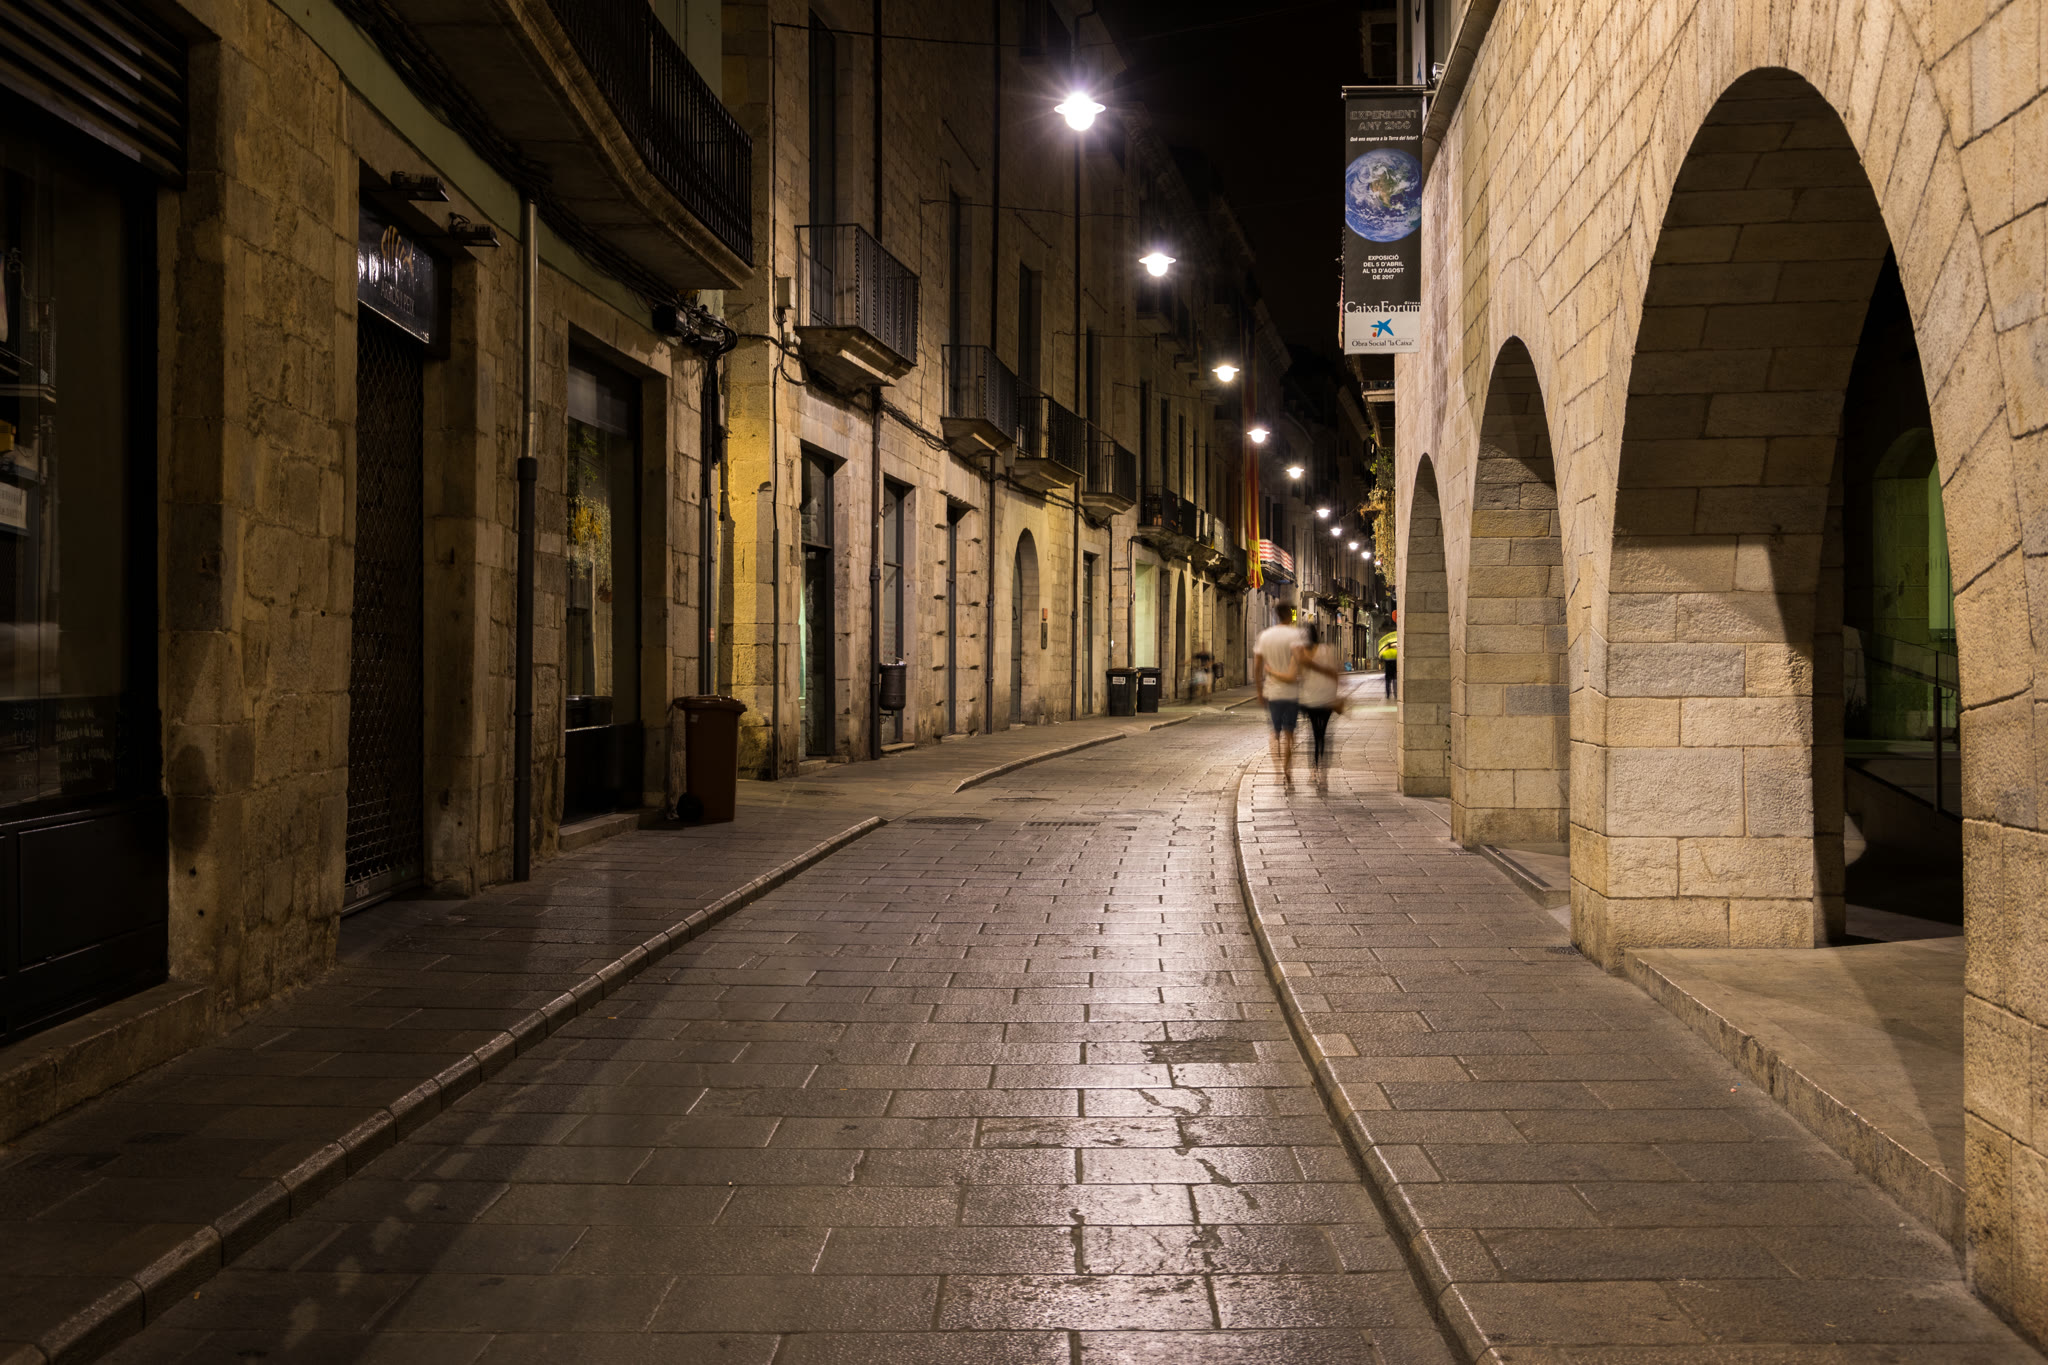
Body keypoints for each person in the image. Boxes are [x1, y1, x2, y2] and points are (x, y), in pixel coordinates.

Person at [1252, 603, 1307, 784]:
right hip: (1291, 692)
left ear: (1277, 615)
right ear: (1289, 615)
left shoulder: (1264, 636)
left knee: (1274, 732)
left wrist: (1259, 690)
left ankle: (1277, 770)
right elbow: (1302, 662)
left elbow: (1257, 666)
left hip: (1272, 692)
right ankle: (1287, 767)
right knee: (1289, 733)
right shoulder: (1296, 635)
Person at [1295, 622, 1343, 787]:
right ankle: (1323, 773)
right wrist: (1335, 695)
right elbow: (1335, 673)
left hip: (1310, 700)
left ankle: (1314, 771)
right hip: (1327, 698)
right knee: (1323, 735)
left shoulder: (1302, 653)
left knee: (1314, 735)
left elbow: (1299, 676)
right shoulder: (1327, 650)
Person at [1377, 629, 1399, 699]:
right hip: (1394, 668)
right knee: (1395, 681)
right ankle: (1395, 694)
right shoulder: (1395, 652)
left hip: (1388, 669)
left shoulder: (1385, 653)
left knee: (1387, 682)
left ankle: (1388, 694)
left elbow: (1381, 659)